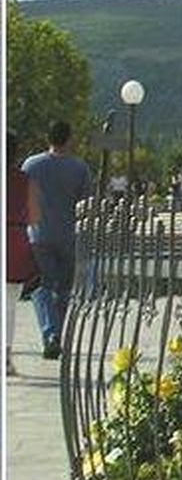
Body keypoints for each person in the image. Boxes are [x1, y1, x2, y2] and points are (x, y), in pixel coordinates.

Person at [21, 120, 94, 360]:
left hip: (38, 235)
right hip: (68, 236)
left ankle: (50, 333)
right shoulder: (80, 168)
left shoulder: (31, 165)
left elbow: (22, 198)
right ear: (69, 138)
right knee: (63, 290)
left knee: (41, 287)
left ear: (47, 138)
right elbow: (87, 203)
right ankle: (57, 336)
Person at [6, 133, 40, 377]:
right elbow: (34, 216)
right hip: (14, 242)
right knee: (8, 306)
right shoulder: (24, 180)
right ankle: (5, 357)